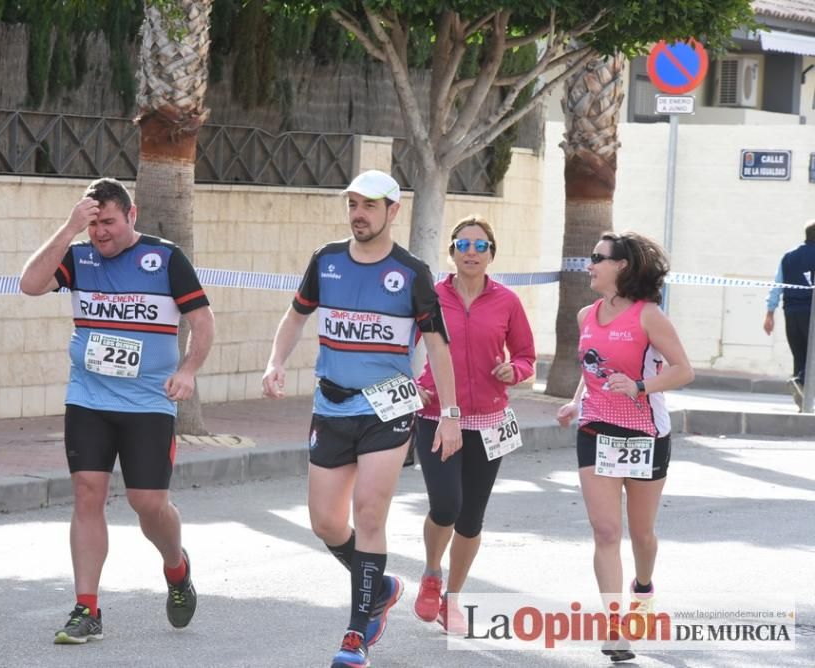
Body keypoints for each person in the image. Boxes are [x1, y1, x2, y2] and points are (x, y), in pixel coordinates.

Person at [261, 170, 462, 668]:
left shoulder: (411, 272)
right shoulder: (326, 260)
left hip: (387, 407)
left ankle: (356, 635)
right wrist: (275, 362)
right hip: (331, 405)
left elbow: (437, 345)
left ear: (393, 212)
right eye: (353, 204)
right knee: (326, 522)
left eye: (370, 206)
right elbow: (295, 317)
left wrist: (452, 413)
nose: (359, 214)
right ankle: (383, 585)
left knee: (369, 513)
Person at [19, 177, 215, 644]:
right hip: (89, 398)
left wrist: (188, 370)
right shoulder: (78, 254)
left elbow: (202, 321)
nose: (100, 233)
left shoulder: (164, 258)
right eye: (93, 224)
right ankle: (87, 608)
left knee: (147, 504)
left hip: (148, 402)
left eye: (108, 222)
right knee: (88, 492)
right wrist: (69, 229)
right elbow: (29, 284)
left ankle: (176, 566)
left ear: (132, 215)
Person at [556, 231, 693, 662]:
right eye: (590, 257)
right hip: (596, 430)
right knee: (606, 531)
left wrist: (639, 386)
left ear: (623, 267)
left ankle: (644, 586)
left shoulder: (649, 316)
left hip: (645, 433)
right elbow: (593, 366)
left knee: (642, 533)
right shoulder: (585, 315)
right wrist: (575, 402)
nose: (589, 264)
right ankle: (615, 626)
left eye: (598, 258)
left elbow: (683, 370)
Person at [411, 216, 535, 635]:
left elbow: (527, 358)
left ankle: (453, 598)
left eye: (481, 246)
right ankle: (431, 574)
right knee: (445, 505)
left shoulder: (507, 302)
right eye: (463, 244)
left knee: (470, 519)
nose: (471, 252)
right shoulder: (431, 297)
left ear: (492, 254)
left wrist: (513, 371)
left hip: (488, 423)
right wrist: (413, 388)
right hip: (435, 417)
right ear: (451, 251)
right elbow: (397, 349)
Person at [763, 220, 815, 410]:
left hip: (791, 313)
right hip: (812, 313)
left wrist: (769, 313)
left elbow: (777, 286)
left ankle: (802, 399)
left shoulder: (789, 256)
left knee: (800, 356)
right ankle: (800, 383)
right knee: (812, 358)